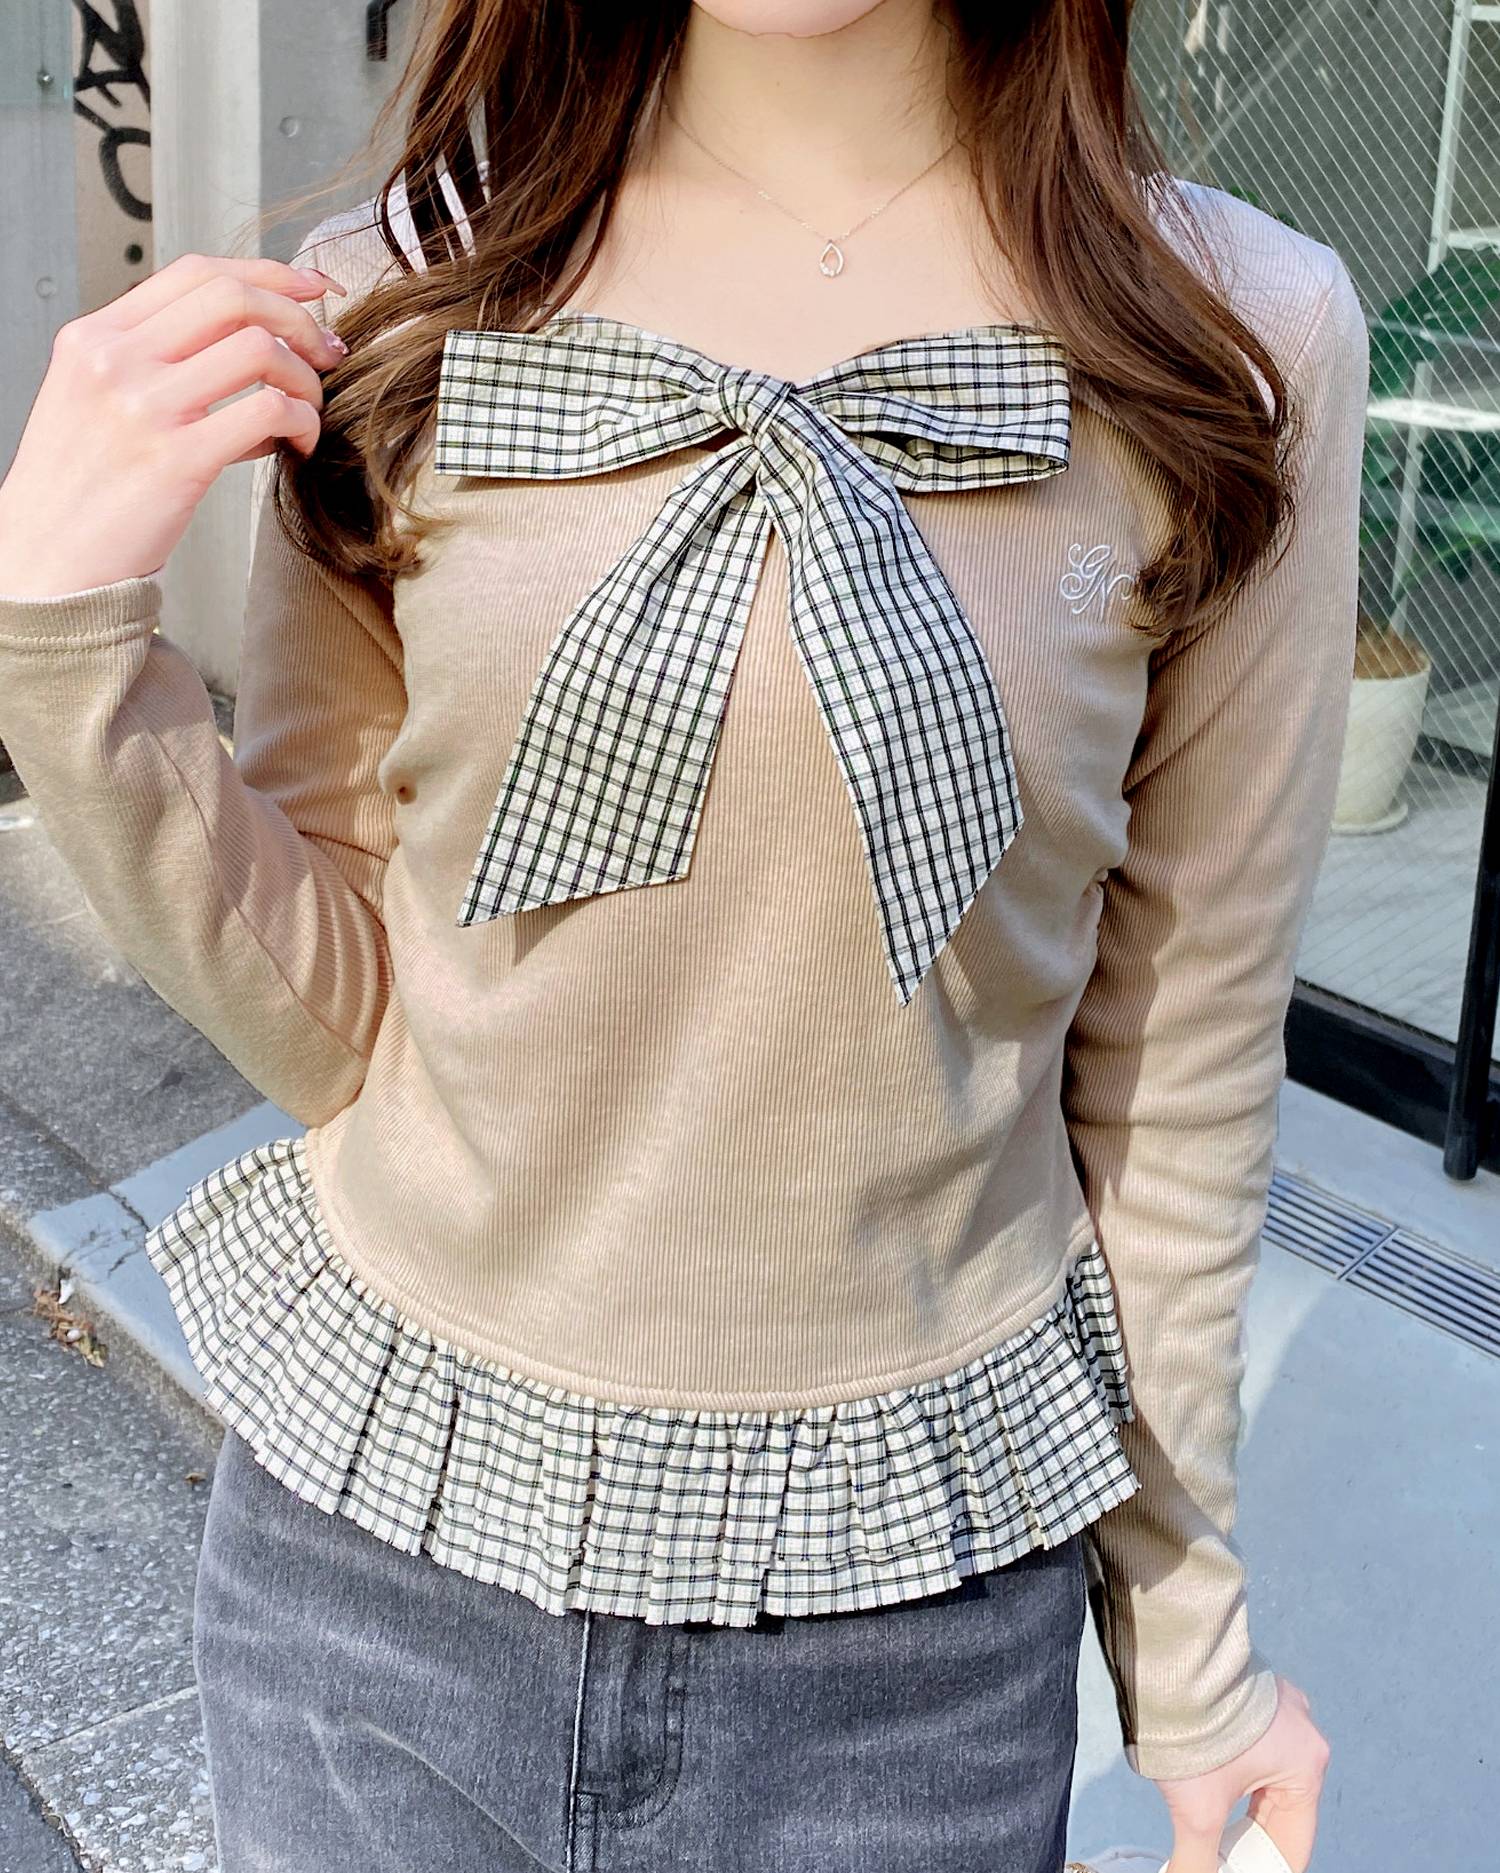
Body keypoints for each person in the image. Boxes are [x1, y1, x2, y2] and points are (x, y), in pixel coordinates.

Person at [0, 1, 1364, 1869]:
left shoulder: (1230, 335)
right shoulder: (414, 289)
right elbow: (352, 1027)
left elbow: (1177, 1078)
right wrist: (62, 654)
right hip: (373, 1594)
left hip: (907, 1654)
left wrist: (1189, 1651)